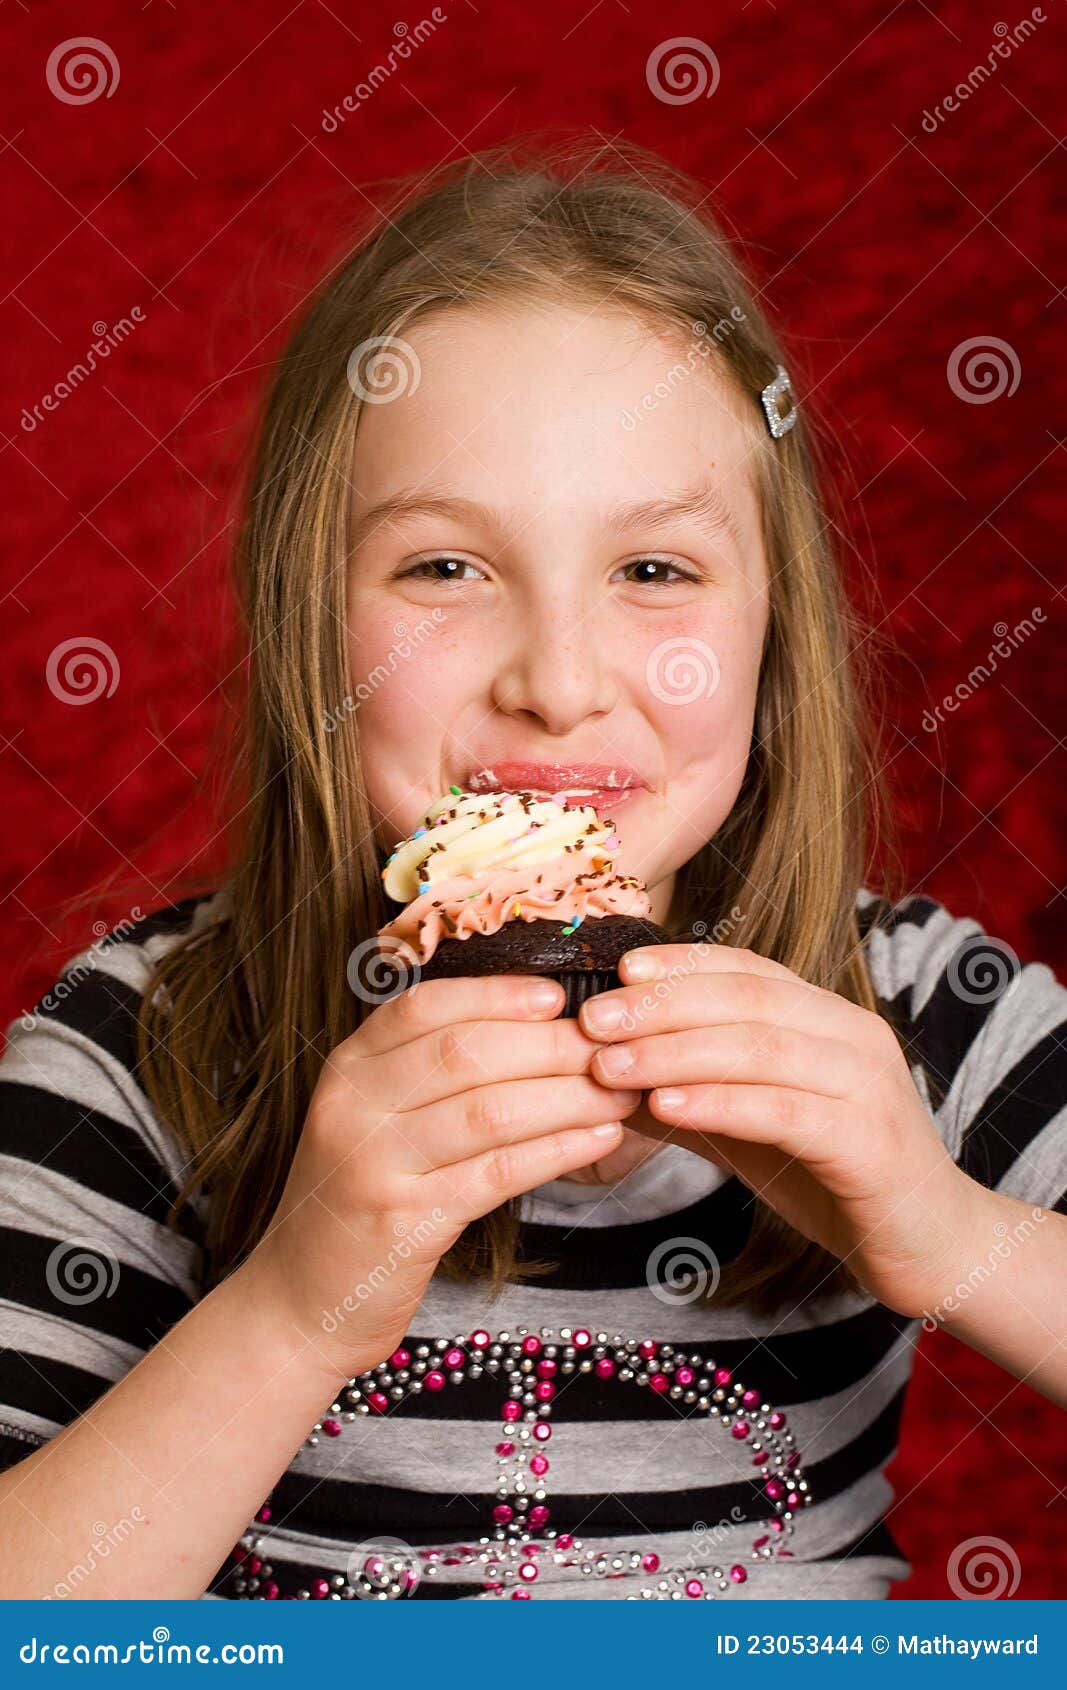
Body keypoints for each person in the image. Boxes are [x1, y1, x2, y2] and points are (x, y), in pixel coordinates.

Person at [1, 138, 1064, 1602]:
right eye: (444, 568)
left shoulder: (932, 1008)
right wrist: (292, 1311)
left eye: (654, 572)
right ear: (310, 616)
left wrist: (950, 1233)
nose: (559, 686)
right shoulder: (138, 1050)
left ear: (774, 628)